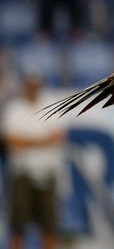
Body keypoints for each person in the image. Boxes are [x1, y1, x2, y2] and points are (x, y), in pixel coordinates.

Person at [3, 75, 65, 249]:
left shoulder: (50, 105)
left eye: (35, 84)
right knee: (17, 227)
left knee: (50, 227)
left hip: (47, 172)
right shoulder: (15, 108)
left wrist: (28, 142)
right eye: (30, 84)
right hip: (22, 173)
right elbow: (12, 142)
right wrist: (42, 141)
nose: (33, 88)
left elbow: (58, 138)